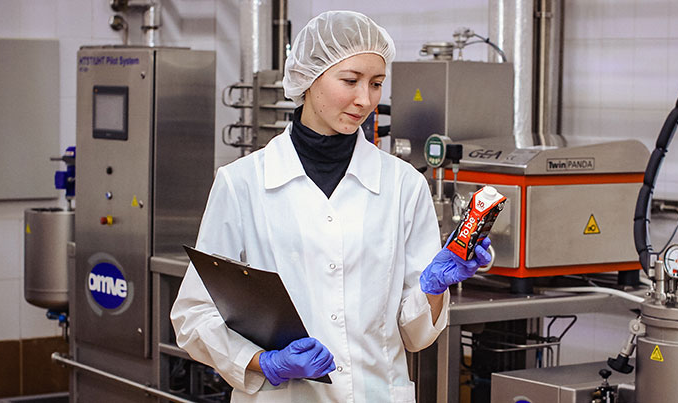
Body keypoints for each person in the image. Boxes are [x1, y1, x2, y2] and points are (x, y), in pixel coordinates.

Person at [170, 10, 491, 402]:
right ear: (308, 78)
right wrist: (263, 362)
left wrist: (433, 288)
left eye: (376, 83)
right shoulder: (242, 183)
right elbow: (194, 315)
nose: (365, 99)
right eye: (350, 80)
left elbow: (415, 336)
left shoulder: (403, 185)